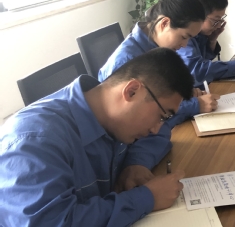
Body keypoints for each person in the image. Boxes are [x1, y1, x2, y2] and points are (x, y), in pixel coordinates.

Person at [0, 49, 195, 226]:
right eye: (162, 116)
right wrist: (147, 197)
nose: (156, 128)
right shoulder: (33, 141)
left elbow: (159, 135)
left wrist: (135, 164)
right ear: (132, 91)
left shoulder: (112, 117)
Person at [99, 0, 218, 116]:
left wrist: (183, 94)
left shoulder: (159, 48)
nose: (184, 45)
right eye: (184, 37)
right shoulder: (127, 61)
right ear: (164, 23)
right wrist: (194, 106)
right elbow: (133, 116)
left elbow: (161, 94)